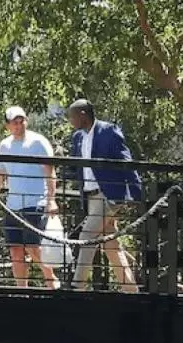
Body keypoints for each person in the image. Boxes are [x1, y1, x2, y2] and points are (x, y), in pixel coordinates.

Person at [66, 98, 140, 293]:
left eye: (72, 117)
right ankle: (131, 290)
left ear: (83, 115)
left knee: (87, 235)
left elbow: (127, 162)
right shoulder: (77, 138)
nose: (70, 121)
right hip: (90, 196)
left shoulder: (108, 131)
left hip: (109, 195)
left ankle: (78, 286)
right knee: (109, 244)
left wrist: (136, 193)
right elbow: (77, 167)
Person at [0, 106, 61, 289]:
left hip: (35, 202)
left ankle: (51, 282)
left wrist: (51, 199)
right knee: (15, 250)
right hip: (13, 205)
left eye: (22, 121)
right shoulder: (5, 145)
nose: (19, 125)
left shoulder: (38, 142)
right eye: (15, 123)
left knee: (34, 247)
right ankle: (21, 289)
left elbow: (50, 172)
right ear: (8, 126)